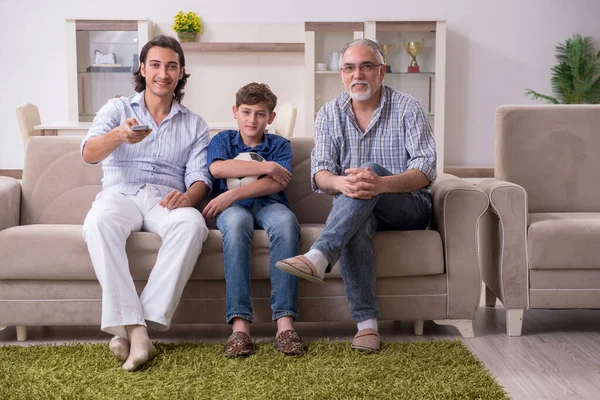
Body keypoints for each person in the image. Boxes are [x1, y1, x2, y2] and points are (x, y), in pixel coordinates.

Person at [276, 38, 436, 353]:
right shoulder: (329, 113)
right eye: (349, 67)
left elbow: (426, 171)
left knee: (369, 170)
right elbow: (320, 174)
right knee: (357, 213)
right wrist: (342, 183)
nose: (357, 74)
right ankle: (367, 327)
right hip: (359, 211)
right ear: (341, 74)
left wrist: (380, 183)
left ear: (381, 72)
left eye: (366, 66)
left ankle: (318, 256)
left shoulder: (408, 107)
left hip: (408, 208)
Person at [81, 35, 212, 371]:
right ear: (142, 68)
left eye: (172, 66)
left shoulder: (195, 124)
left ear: (182, 72)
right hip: (119, 193)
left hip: (164, 199)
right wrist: (118, 136)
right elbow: (88, 153)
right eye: (155, 65)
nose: (163, 73)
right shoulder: (117, 109)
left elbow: (201, 177)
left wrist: (188, 196)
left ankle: (133, 327)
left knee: (193, 224)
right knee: (98, 222)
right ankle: (138, 333)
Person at [203, 82, 303, 357]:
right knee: (236, 226)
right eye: (246, 112)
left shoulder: (280, 145)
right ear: (235, 112)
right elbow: (218, 167)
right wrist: (265, 166)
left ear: (270, 118)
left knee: (285, 224)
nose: (252, 119)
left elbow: (275, 184)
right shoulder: (223, 140)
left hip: (268, 204)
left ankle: (285, 325)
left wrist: (231, 196)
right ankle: (240, 328)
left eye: (260, 114)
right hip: (234, 212)